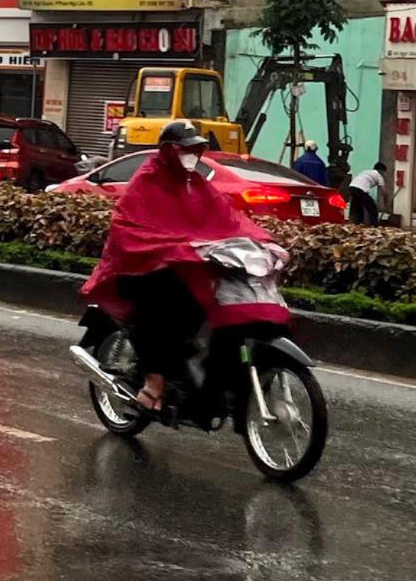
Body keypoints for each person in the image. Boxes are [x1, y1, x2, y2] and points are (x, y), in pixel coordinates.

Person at [82, 120, 283, 414]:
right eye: (185, 149)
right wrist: (174, 247)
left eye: (195, 149)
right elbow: (130, 226)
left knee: (208, 301)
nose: (191, 155)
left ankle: (194, 370)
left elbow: (227, 218)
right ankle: (153, 384)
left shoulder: (196, 184)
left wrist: (263, 241)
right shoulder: (147, 181)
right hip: (140, 268)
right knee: (161, 311)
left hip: (184, 265)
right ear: (168, 151)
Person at [348, 161, 387, 226]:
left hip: (352, 187)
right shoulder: (378, 175)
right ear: (380, 170)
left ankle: (357, 224)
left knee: (357, 207)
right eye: (384, 172)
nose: (384, 174)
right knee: (372, 207)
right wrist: (385, 202)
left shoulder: (366, 172)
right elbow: (384, 192)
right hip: (360, 189)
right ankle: (374, 225)